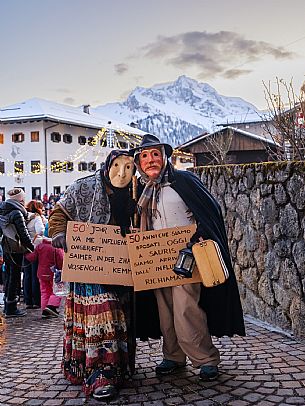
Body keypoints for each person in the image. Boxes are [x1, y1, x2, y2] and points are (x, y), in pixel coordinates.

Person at [131, 134, 245, 381]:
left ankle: (205, 358)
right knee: (166, 312)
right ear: (139, 162)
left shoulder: (183, 181)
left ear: (164, 157)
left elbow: (209, 212)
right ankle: (172, 356)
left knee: (186, 310)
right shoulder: (140, 189)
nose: (151, 160)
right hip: (155, 262)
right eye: (145, 156)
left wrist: (201, 237)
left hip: (186, 259)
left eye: (155, 154)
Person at [48, 150, 136, 401]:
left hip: (123, 265)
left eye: (129, 167)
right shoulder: (83, 187)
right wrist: (59, 233)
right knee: (102, 315)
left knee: (122, 317)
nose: (122, 173)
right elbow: (58, 214)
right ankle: (99, 373)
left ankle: (119, 369)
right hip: (90, 267)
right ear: (108, 166)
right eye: (117, 166)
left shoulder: (137, 191)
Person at [0, 188, 34, 318]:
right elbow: (23, 234)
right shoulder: (16, 213)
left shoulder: (3, 210)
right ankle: (11, 308)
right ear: (20, 200)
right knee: (14, 277)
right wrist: (32, 247)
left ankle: (8, 305)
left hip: (6, 246)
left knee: (8, 276)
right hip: (16, 248)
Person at [25, 235, 63, 319]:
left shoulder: (40, 246)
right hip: (53, 274)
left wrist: (25, 253)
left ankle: (44, 310)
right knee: (58, 291)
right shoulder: (56, 248)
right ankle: (51, 307)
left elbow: (32, 257)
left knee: (44, 292)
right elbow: (61, 259)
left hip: (41, 274)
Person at [23, 200, 45, 309]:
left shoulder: (24, 217)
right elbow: (41, 230)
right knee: (35, 275)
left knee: (27, 275)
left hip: (24, 249)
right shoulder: (36, 218)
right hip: (34, 249)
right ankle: (36, 300)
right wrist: (35, 238)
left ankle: (28, 301)